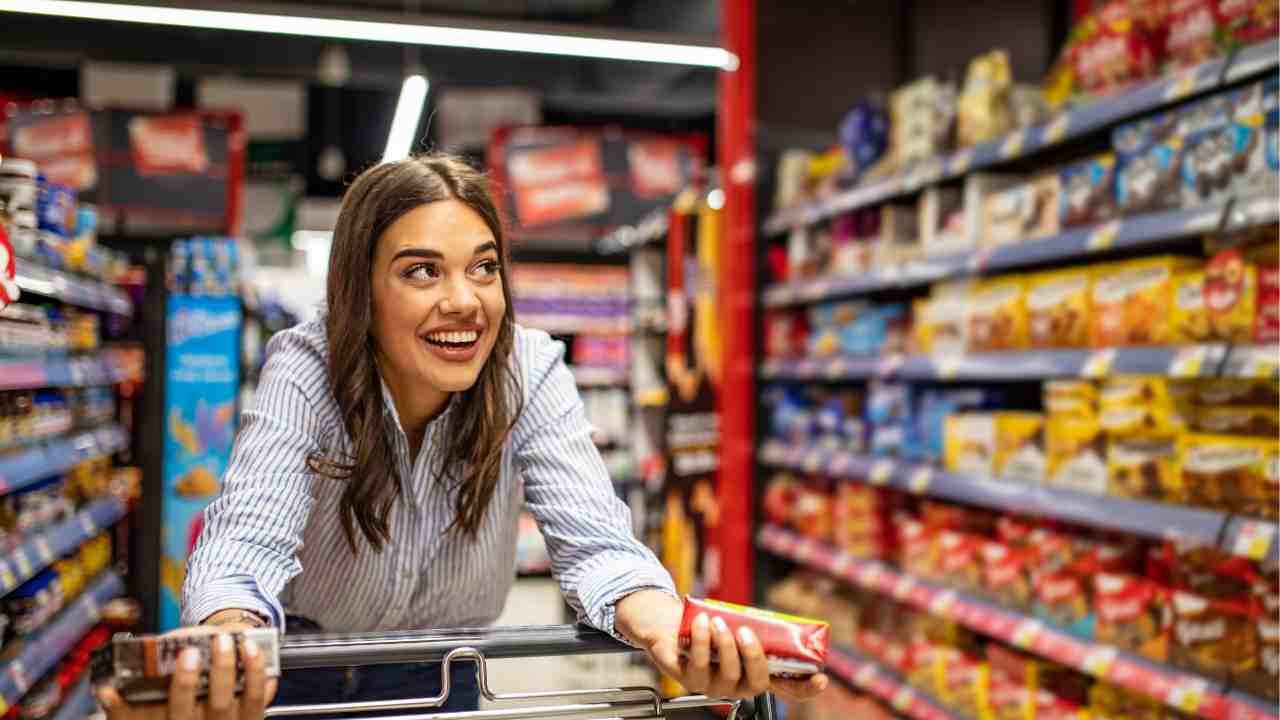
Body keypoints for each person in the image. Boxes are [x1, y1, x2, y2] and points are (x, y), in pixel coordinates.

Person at [101, 153, 827, 720]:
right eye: (422, 271)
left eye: (483, 267)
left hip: (445, 674)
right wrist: (230, 638)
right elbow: (243, 543)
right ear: (362, 288)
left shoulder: (528, 369)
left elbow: (599, 545)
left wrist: (670, 629)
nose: (464, 300)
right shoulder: (309, 365)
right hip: (299, 677)